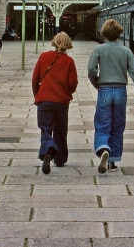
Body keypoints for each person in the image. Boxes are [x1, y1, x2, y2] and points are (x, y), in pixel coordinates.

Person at [88, 19, 134, 174]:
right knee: (118, 127)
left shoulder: (99, 50)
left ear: (104, 34)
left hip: (105, 91)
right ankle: (112, 162)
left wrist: (96, 83)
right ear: (119, 34)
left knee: (102, 125)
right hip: (120, 91)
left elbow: (91, 70)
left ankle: (103, 149)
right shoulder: (125, 51)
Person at [32, 32, 78, 174]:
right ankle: (60, 159)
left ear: (54, 42)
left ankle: (48, 149)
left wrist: (38, 95)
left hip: (44, 100)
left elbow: (35, 79)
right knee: (60, 130)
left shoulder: (44, 57)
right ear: (68, 44)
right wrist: (67, 91)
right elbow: (72, 84)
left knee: (45, 128)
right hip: (61, 103)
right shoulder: (69, 61)